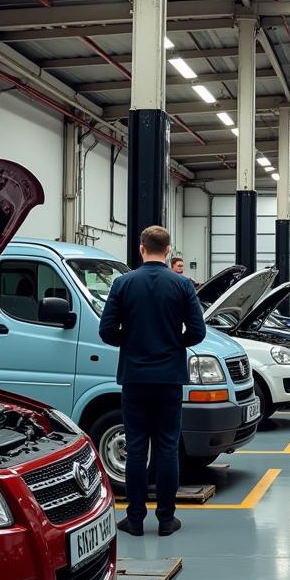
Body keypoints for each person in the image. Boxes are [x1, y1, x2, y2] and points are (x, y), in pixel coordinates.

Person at [100, 226, 206, 537]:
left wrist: (131, 342)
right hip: (170, 377)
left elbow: (106, 331)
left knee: (135, 448)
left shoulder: (123, 283)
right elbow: (197, 333)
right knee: (167, 447)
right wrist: (174, 342)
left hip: (134, 377)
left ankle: (134, 519)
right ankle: (166, 519)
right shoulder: (182, 285)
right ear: (169, 250)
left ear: (141, 248)